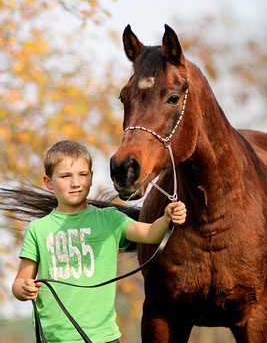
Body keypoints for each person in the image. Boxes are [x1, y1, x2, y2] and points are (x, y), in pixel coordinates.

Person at [12, 140, 187, 343]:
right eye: (66, 176)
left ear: (91, 177)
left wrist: (166, 218)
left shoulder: (110, 219)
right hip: (52, 338)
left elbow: (150, 234)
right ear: (48, 182)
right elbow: (19, 282)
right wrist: (23, 288)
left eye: (82, 174)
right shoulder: (38, 230)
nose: (76, 182)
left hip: (103, 338)